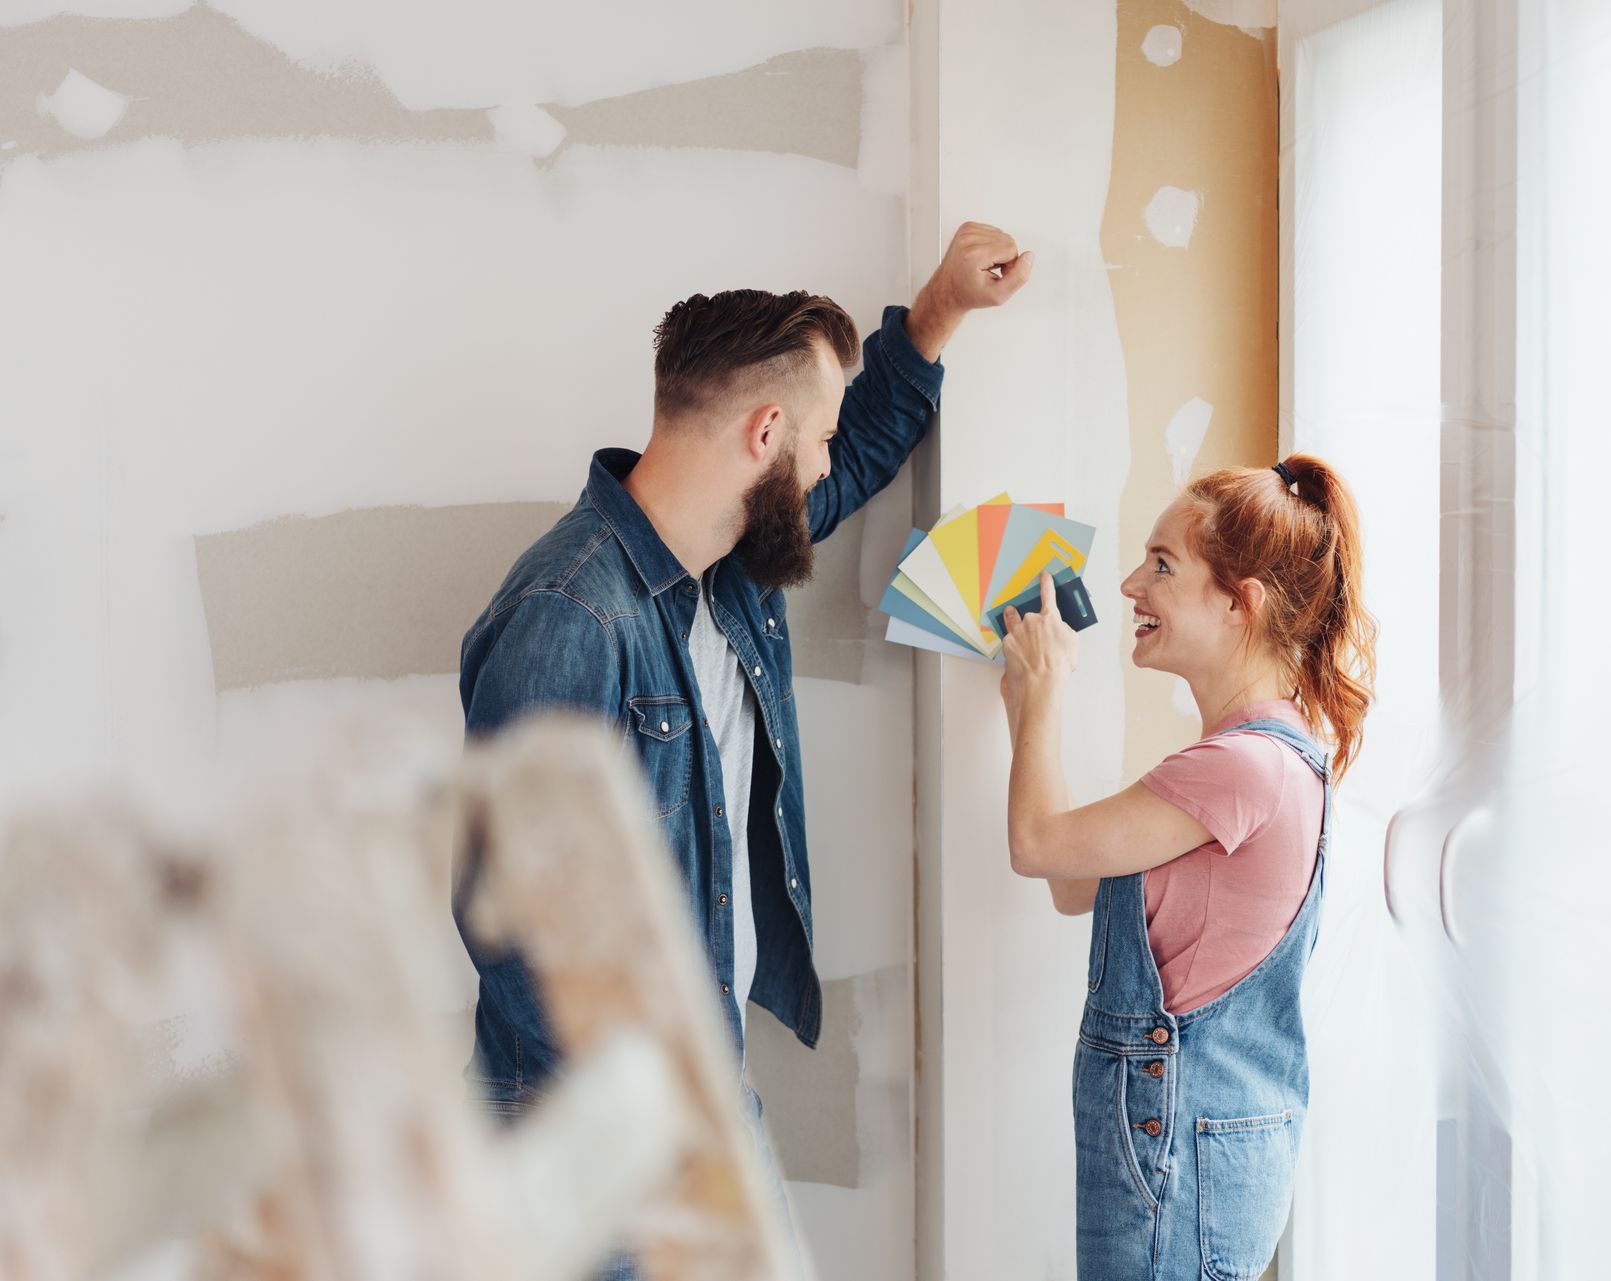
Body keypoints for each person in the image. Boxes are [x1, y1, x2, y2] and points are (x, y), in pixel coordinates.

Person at [454, 223, 1033, 1273]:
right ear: (764, 433)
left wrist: (939, 312)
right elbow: (515, 929)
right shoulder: (569, 620)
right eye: (810, 442)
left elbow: (849, 462)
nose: (824, 466)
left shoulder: (724, 566)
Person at [996, 456, 1376, 1279]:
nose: (1133, 583)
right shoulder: (1262, 759)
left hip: (1174, 1151)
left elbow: (1034, 844)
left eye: (1163, 564)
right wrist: (1026, 701)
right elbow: (1070, 883)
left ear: (1240, 604)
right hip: (1190, 1151)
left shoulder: (1240, 768)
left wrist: (1051, 690)